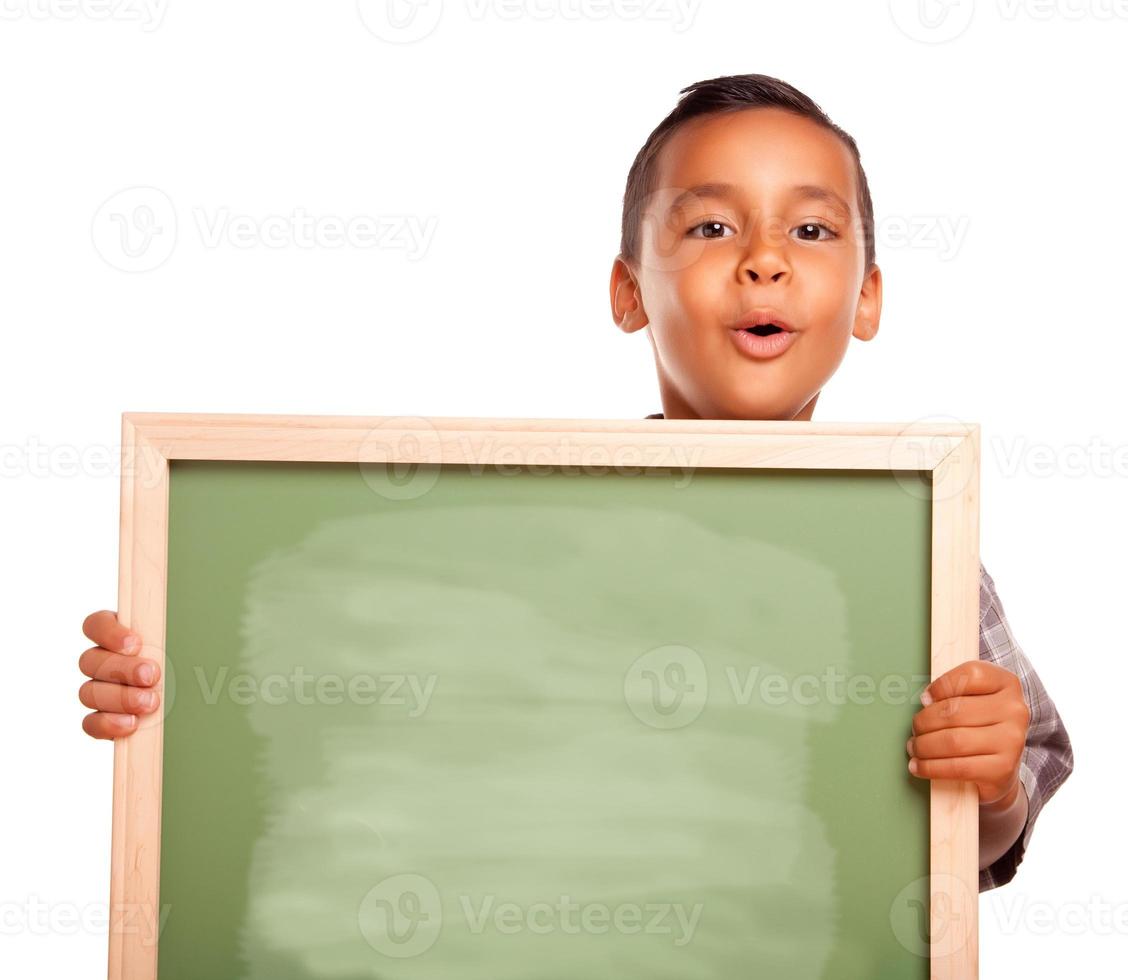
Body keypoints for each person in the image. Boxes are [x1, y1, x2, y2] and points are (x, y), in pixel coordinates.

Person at [79, 73, 1073, 893]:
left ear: (867, 298)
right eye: (712, 229)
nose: (765, 262)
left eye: (810, 233)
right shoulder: (515, 530)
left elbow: (981, 841)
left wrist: (989, 788)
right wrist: (172, 685)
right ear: (629, 290)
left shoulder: (925, 553)